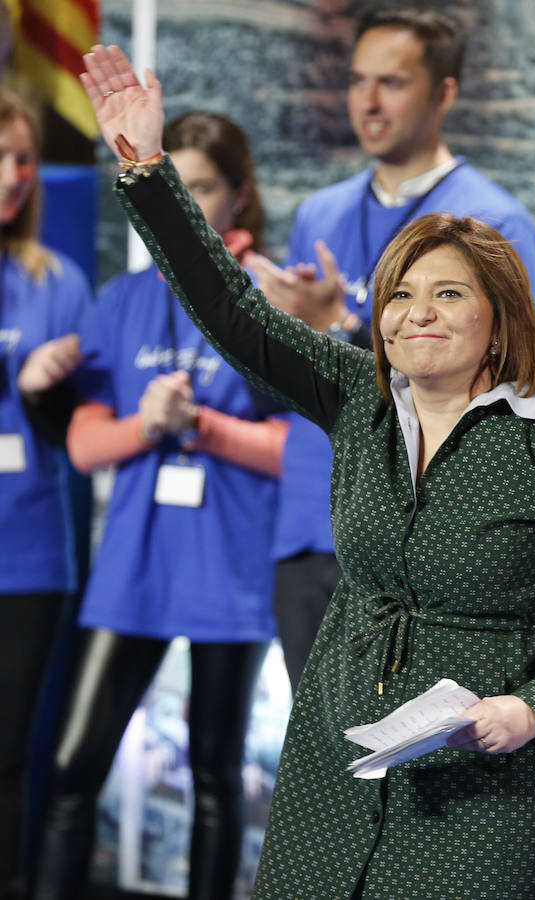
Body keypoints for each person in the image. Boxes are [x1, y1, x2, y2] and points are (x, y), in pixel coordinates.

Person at [79, 46, 535, 899]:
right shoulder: (358, 396)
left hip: (489, 783)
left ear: (501, 321)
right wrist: (147, 168)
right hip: (338, 756)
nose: (417, 313)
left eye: (449, 294)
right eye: (400, 294)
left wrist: (533, 709)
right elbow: (231, 312)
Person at [248, 5, 535, 695]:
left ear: (443, 93)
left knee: (415, 773)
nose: (369, 102)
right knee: (324, 763)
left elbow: (499, 399)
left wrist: (343, 328)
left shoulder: (493, 222)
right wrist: (286, 336)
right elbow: (287, 390)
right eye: (357, 81)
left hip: (427, 542)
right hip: (310, 527)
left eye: (392, 83)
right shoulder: (320, 213)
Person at [31, 111, 287, 899]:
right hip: (135, 565)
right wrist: (145, 424)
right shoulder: (121, 297)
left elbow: (291, 449)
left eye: (202, 187)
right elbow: (84, 446)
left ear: (238, 197)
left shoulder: (266, 294)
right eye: (171, 186)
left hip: (230, 567)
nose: (185, 204)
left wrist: (202, 427)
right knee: (76, 766)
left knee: (217, 774)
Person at [0, 86, 91, 899]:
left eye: (23, 158)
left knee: (7, 753)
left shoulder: (57, 280)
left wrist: (40, 390)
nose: (12, 175)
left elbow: (81, 432)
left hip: (28, 552)